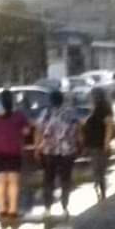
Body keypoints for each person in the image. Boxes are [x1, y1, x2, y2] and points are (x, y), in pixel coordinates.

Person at [0, 89, 31, 220]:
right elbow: (26, 131)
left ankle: (2, 209)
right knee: (13, 180)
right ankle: (13, 210)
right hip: (14, 150)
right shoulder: (19, 115)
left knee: (1, 179)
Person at [36, 90, 82, 218]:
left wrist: (37, 147)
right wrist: (79, 144)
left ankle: (47, 208)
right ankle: (64, 207)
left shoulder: (46, 113)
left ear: (51, 101)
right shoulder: (71, 113)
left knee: (48, 179)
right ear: (62, 100)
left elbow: (39, 130)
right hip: (68, 151)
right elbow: (78, 130)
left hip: (49, 151)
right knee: (65, 179)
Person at [82, 87, 115, 202]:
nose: (90, 98)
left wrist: (106, 143)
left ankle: (101, 194)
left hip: (99, 144)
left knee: (99, 170)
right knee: (97, 170)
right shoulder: (96, 109)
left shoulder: (103, 109)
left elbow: (109, 126)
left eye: (92, 96)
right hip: (94, 144)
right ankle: (99, 193)